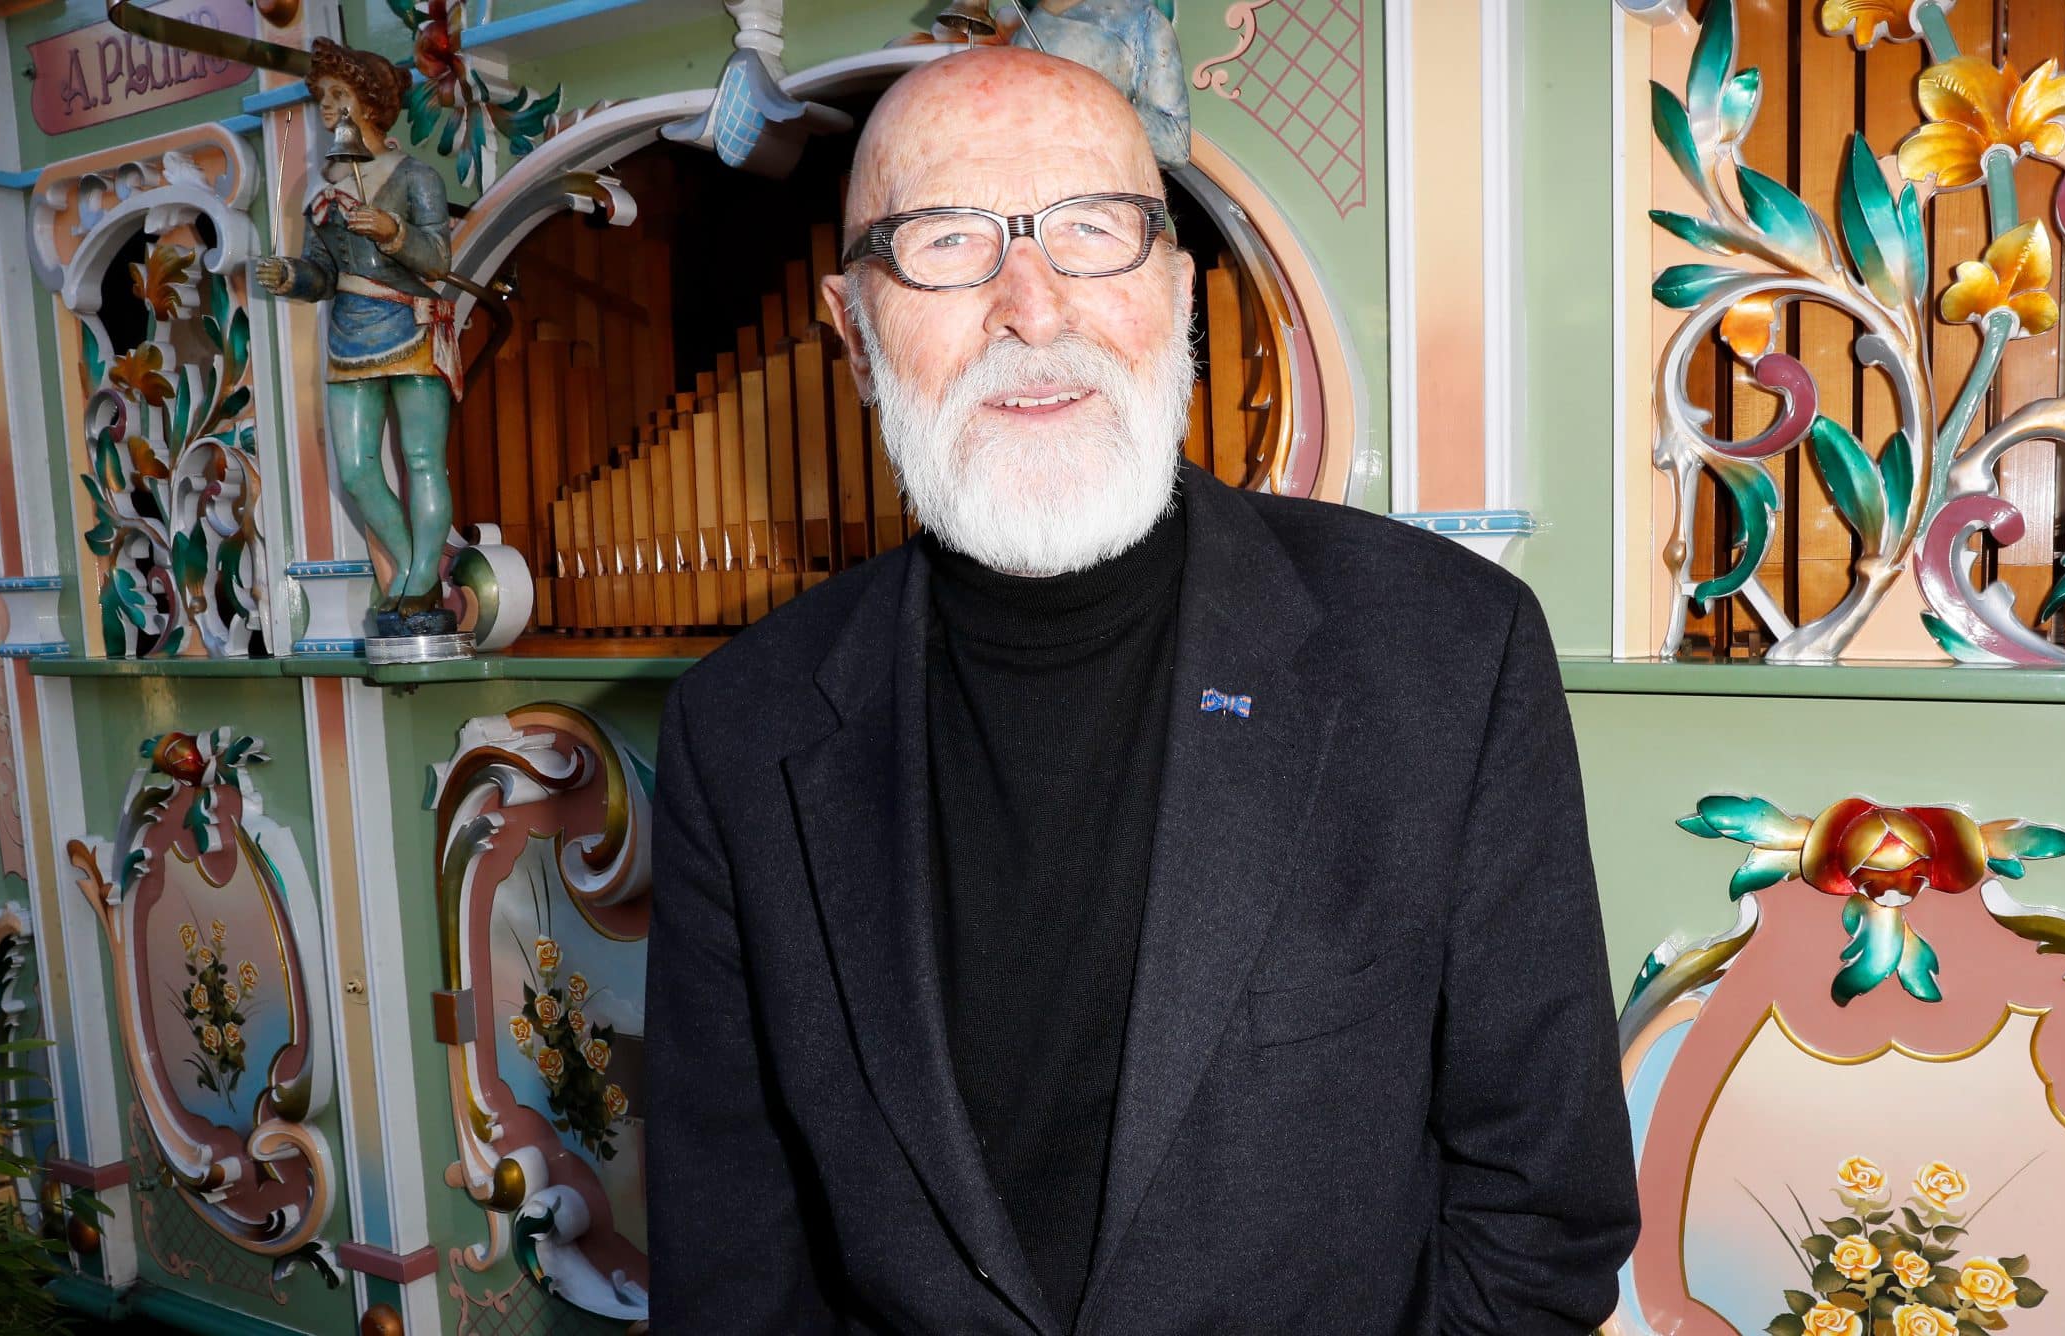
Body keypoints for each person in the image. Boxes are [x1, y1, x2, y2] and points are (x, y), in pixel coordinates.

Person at [647, 46, 1638, 1334]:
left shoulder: (1446, 653)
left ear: (1177, 292)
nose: (1032, 308)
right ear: (854, 333)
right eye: (946, 243)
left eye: (1092, 231)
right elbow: (732, 1266)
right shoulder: (738, 727)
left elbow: (1542, 1213)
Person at [252, 39, 461, 638]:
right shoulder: (325, 191)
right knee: (357, 470)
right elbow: (323, 275)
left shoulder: (415, 177)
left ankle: (418, 584)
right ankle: (417, 569)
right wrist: (291, 277)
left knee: (422, 460)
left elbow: (439, 260)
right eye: (322, 95)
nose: (326, 106)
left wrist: (392, 230)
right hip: (349, 334)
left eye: (338, 94)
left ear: (369, 104)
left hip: (409, 327)